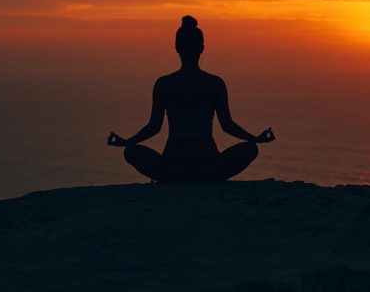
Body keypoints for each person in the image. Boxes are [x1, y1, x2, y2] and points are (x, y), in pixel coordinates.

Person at [107, 15, 275, 182]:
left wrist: (127, 142)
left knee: (131, 151)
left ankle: (173, 177)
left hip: (174, 160)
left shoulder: (164, 84)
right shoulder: (215, 83)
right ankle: (206, 176)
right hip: (207, 161)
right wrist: (254, 139)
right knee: (250, 149)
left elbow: (154, 127)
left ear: (177, 48)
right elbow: (227, 125)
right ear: (202, 48)